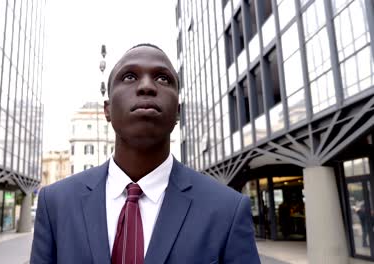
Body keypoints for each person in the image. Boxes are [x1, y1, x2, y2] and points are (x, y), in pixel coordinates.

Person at [30, 44, 260, 263]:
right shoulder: (55, 204)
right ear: (107, 110)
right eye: (129, 76)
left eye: (163, 78)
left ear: (178, 112)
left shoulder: (227, 209)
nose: (147, 86)